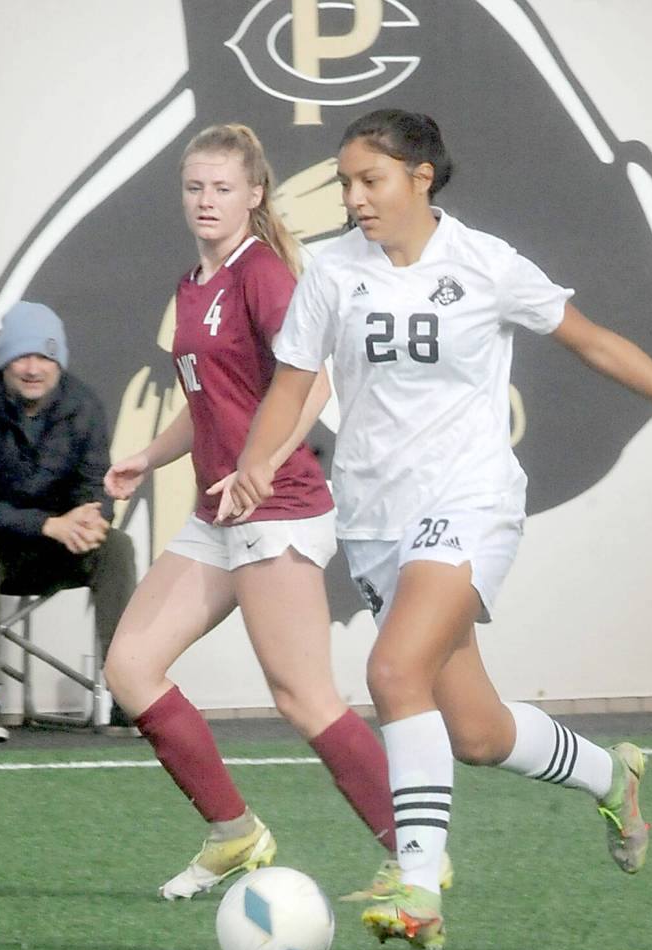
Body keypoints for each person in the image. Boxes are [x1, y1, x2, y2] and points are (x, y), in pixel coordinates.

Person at [223, 109, 652, 950]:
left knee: (390, 670)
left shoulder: (485, 263)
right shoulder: (331, 271)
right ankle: (613, 774)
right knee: (479, 733)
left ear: (421, 177)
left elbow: (595, 343)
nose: (352, 197)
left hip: (472, 500)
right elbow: (291, 385)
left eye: (369, 180)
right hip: (376, 519)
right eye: (344, 182)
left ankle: (417, 881)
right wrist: (257, 461)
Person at [102, 123, 453, 902]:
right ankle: (235, 833)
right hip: (216, 512)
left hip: (279, 506)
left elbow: (313, 385)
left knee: (302, 697)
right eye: (195, 187)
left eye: (223, 187)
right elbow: (208, 405)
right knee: (129, 667)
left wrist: (257, 472)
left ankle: (415, 855)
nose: (206, 200)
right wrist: (146, 458)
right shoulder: (194, 282)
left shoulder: (261, 272)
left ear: (255, 194)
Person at [0, 300, 137, 742]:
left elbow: (97, 487)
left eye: (45, 357)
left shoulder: (83, 404)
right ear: (3, 359)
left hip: (57, 550)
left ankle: (128, 691)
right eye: (23, 356)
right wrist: (48, 524)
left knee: (117, 546)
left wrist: (94, 518)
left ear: (59, 362)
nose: (33, 368)